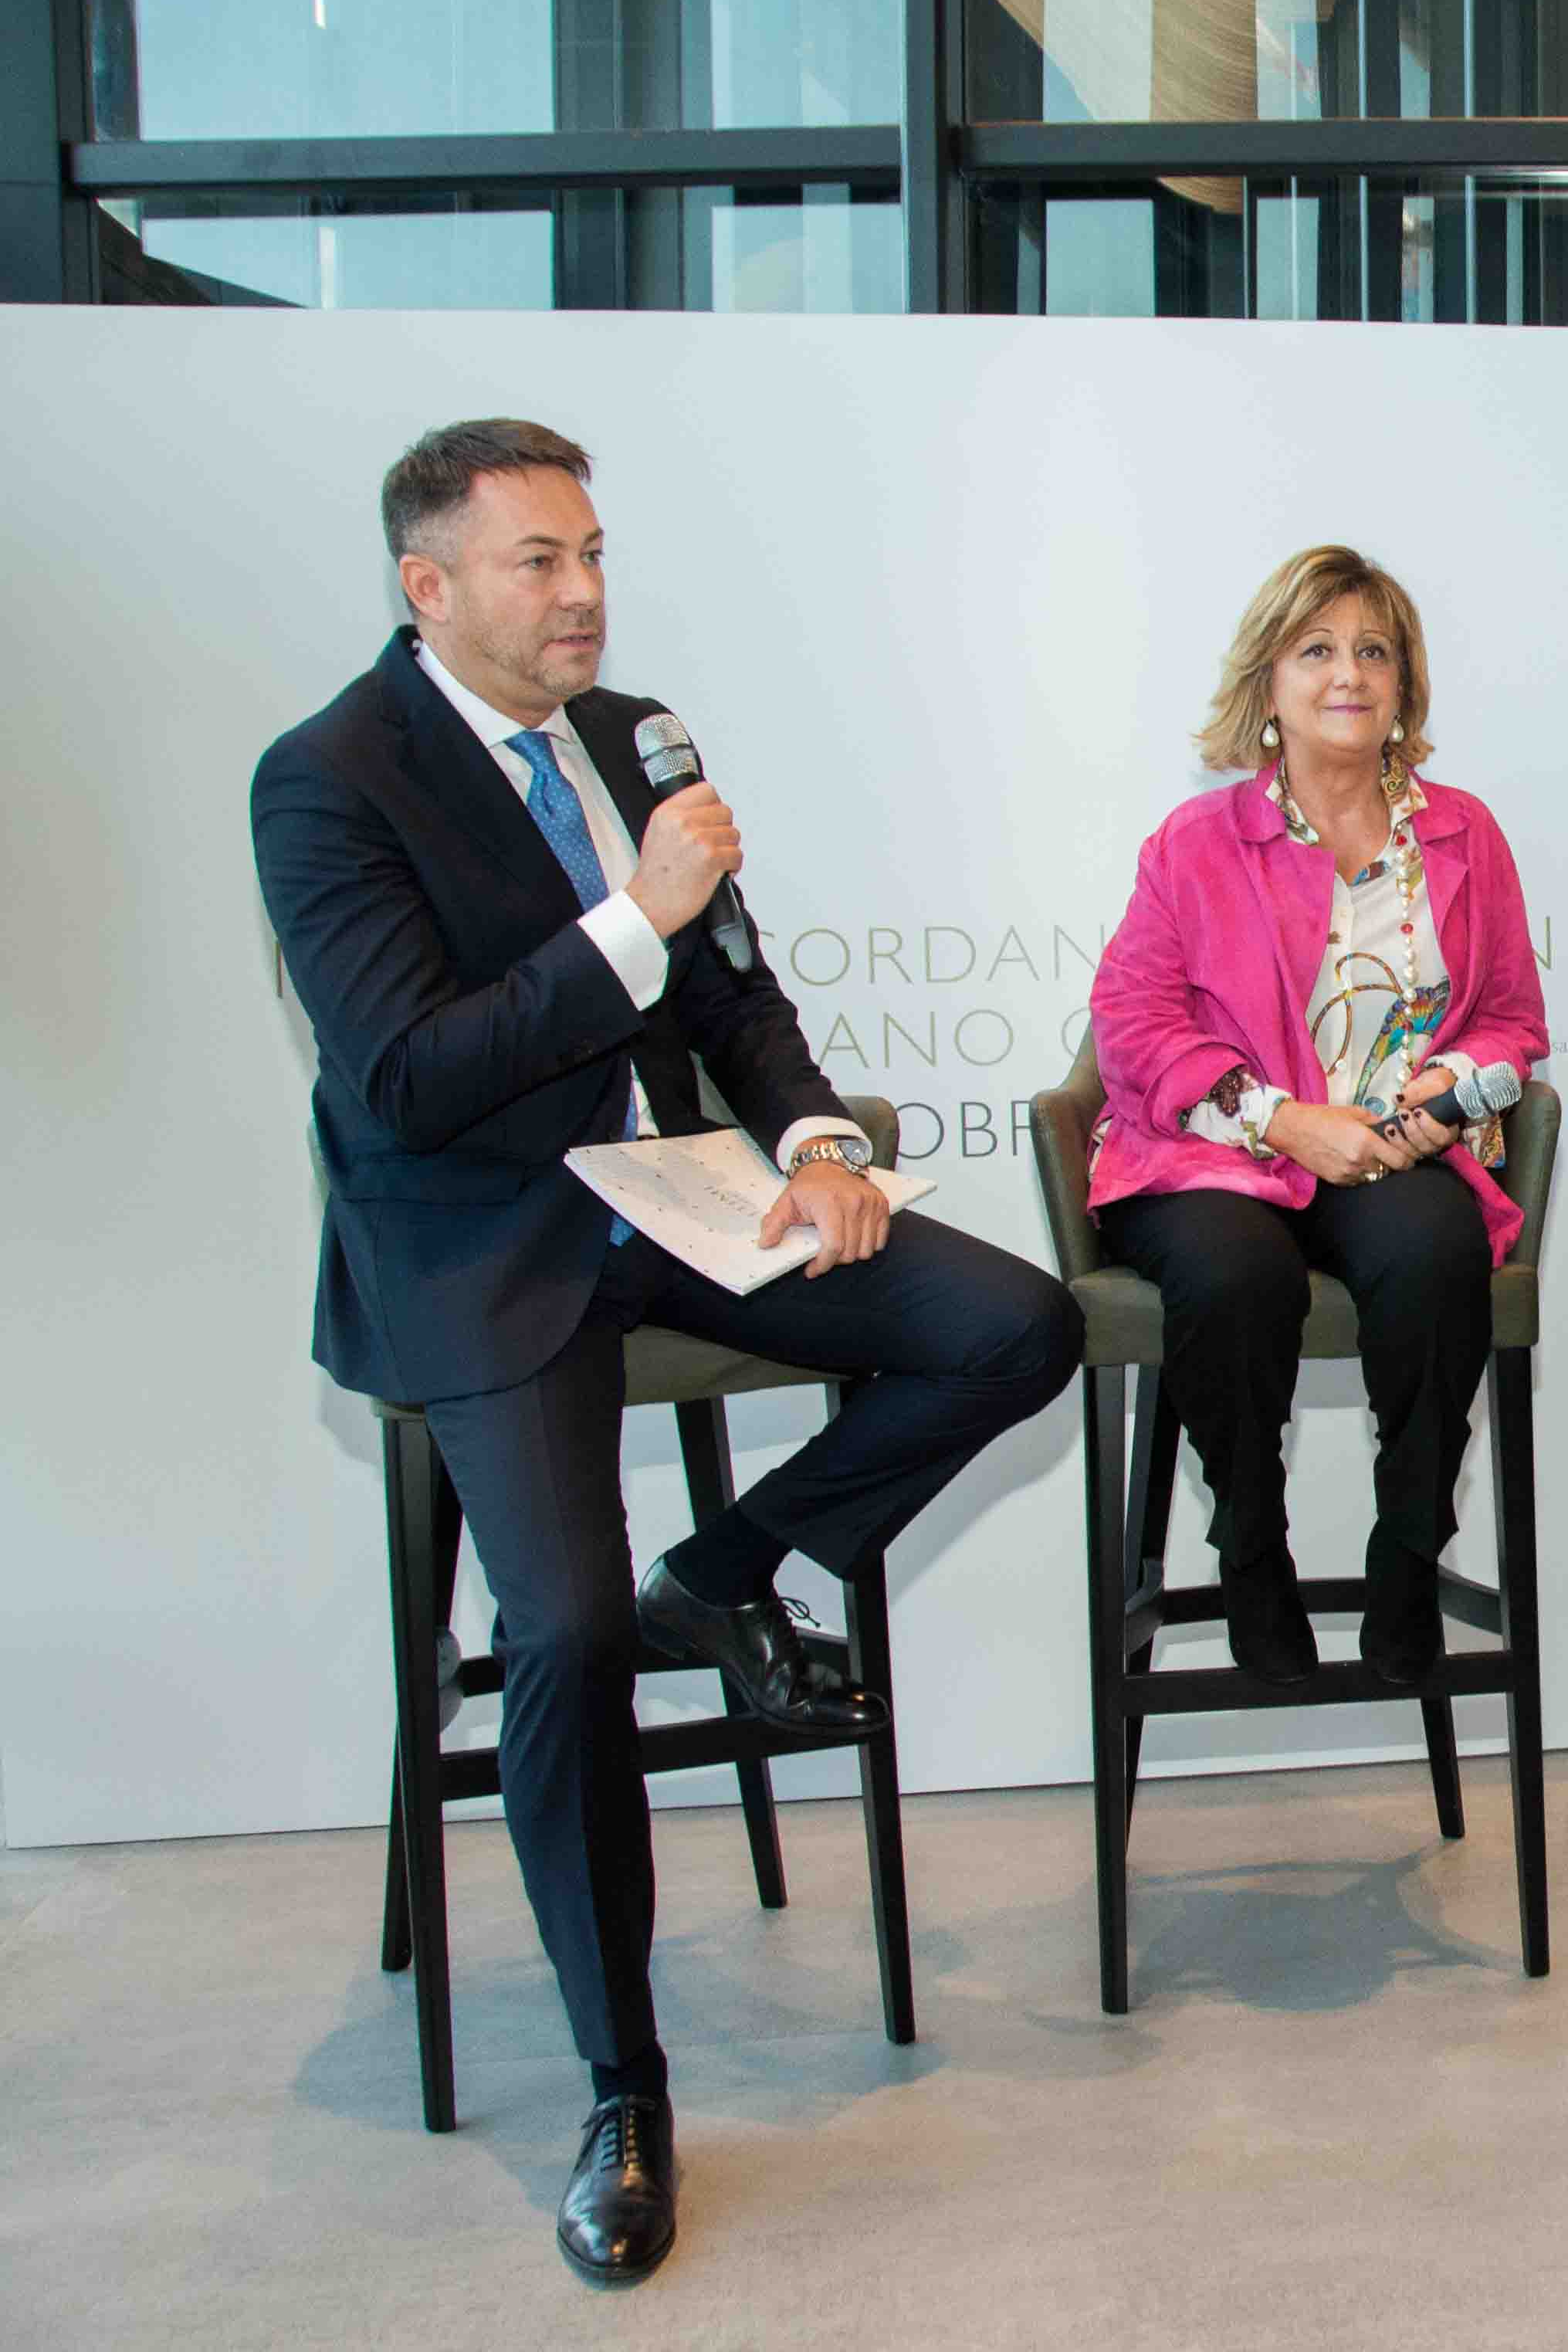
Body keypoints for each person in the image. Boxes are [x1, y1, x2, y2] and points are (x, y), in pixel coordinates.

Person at [249, 420, 1083, 2286]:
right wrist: (640, 911)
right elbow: (409, 1077)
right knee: (558, 1634)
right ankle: (624, 2089)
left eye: (594, 554)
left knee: (1012, 1325)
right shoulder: (327, 778)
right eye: (540, 561)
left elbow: (734, 994)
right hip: (477, 1240)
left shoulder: (632, 737)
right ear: (428, 586)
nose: (584, 595)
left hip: (676, 1195)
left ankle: (717, 1576)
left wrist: (818, 1143)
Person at [1089, 546, 1549, 1686]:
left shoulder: (1463, 834)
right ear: (1270, 681)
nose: (1349, 673)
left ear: (1404, 684)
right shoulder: (1196, 841)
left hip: (1393, 1155)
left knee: (1438, 1254)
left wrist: (1453, 1095)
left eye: (1373, 650)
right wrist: (1284, 1120)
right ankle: (1251, 1551)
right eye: (1317, 649)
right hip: (1217, 1157)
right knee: (1237, 1278)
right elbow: (1131, 1023)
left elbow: (1510, 1022)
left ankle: (1410, 1554)